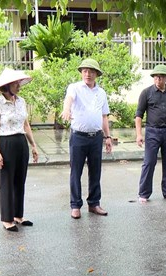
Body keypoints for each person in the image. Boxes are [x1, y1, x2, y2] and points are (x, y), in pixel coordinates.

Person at [61, 58, 113, 219]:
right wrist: (67, 110)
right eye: (84, 71)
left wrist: (108, 136)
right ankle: (75, 205)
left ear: (96, 74)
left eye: (91, 71)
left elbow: (104, 116)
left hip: (96, 137)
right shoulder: (75, 88)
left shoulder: (101, 92)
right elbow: (68, 100)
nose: (87, 74)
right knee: (76, 171)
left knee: (95, 171)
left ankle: (94, 203)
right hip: (78, 137)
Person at [0, 68, 39, 232]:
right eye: (15, 83)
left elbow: (26, 125)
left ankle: (18, 215)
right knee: (6, 182)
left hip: (20, 142)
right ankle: (7, 219)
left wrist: (33, 145)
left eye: (19, 82)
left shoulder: (21, 102)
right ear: (7, 86)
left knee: (19, 180)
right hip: (5, 143)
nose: (19, 85)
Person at [135, 64, 166, 203]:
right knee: (149, 162)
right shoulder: (146, 93)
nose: (158, 79)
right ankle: (144, 193)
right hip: (152, 132)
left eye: (161, 77)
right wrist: (139, 135)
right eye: (156, 77)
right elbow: (139, 115)